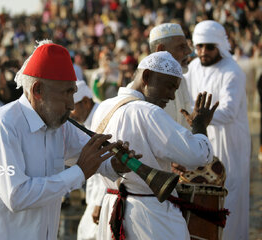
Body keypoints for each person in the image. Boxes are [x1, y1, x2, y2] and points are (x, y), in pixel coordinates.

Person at [0, 40, 132, 240]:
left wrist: (113, 163)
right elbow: (16, 195)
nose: (72, 104)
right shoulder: (3, 126)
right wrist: (78, 173)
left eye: (73, 92)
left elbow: (91, 158)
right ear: (38, 91)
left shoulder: (59, 125)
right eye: (66, 93)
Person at [91, 51, 218, 240]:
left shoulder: (104, 107)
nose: (172, 96)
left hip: (112, 213)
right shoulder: (148, 112)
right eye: (169, 87)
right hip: (150, 218)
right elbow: (197, 156)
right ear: (147, 77)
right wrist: (199, 125)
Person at [184, 20, 251, 240]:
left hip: (228, 143)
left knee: (229, 196)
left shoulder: (233, 72)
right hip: (201, 140)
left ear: (220, 46)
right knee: (202, 195)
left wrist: (200, 119)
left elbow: (229, 112)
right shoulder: (193, 67)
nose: (203, 52)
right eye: (199, 46)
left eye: (209, 47)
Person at [72, 81, 105, 240]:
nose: (70, 112)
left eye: (73, 107)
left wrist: (98, 202)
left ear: (85, 102)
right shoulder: (87, 121)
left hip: (103, 198)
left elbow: (104, 164)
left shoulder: (102, 118)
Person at [148, 23, 192, 129]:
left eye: (187, 45)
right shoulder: (146, 88)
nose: (189, 51)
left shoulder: (181, 80)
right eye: (181, 47)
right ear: (161, 50)